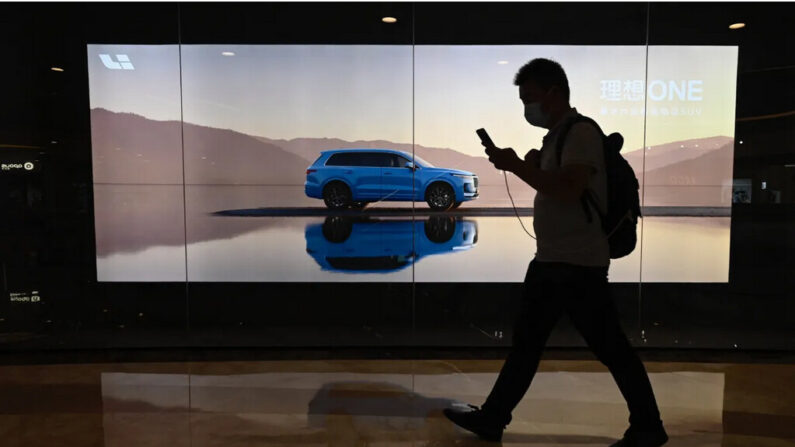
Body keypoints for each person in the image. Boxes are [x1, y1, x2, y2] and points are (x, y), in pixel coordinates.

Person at [443, 58, 668, 447]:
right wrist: (528, 165)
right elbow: (557, 187)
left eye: (529, 98)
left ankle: (648, 425)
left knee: (607, 347)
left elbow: (568, 189)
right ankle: (494, 417)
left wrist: (516, 165)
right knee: (531, 344)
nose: (526, 107)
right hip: (554, 260)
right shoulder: (558, 137)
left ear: (554, 92)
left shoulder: (579, 134)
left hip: (576, 265)